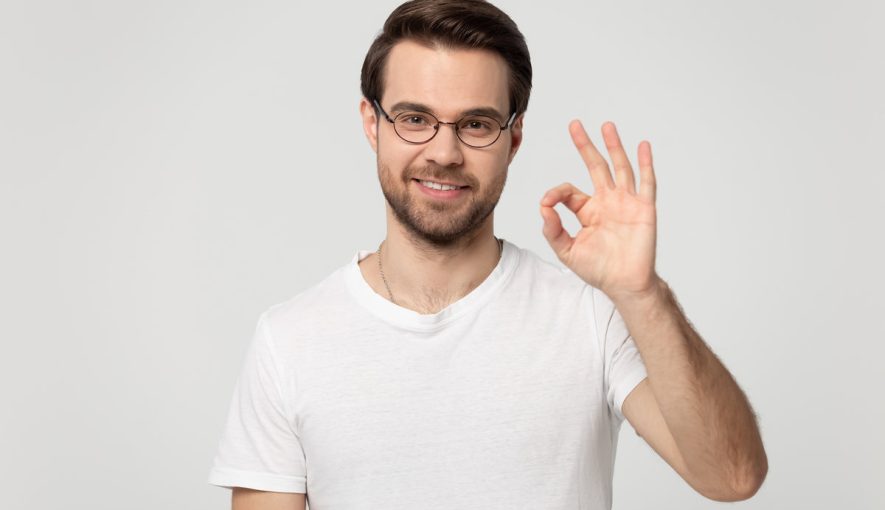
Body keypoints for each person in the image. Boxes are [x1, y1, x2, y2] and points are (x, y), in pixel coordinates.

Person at [207, 1, 768, 509]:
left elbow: (732, 477)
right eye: (415, 119)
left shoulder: (591, 317)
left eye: (476, 124)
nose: (444, 153)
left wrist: (643, 295)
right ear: (371, 124)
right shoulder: (289, 340)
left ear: (513, 138)